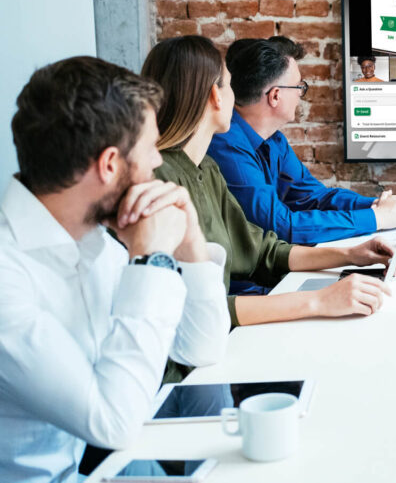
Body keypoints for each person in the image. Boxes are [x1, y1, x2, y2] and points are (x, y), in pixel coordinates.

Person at [0, 57, 229, 482]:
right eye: (150, 149)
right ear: (110, 164)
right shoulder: (8, 277)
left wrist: (191, 242)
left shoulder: (98, 241)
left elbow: (201, 349)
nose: (159, 164)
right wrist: (150, 260)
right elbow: (114, 422)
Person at [142, 36, 395, 327]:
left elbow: (262, 249)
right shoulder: (161, 181)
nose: (236, 96)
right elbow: (188, 312)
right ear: (215, 95)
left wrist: (350, 254)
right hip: (201, 347)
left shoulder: (206, 168)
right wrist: (319, 300)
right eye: (228, 84)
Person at [207, 37, 396, 249]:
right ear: (275, 96)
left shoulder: (274, 140)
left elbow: (314, 197)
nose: (301, 93)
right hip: (254, 280)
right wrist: (377, 218)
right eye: (299, 86)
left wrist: (375, 205)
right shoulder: (227, 146)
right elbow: (280, 226)